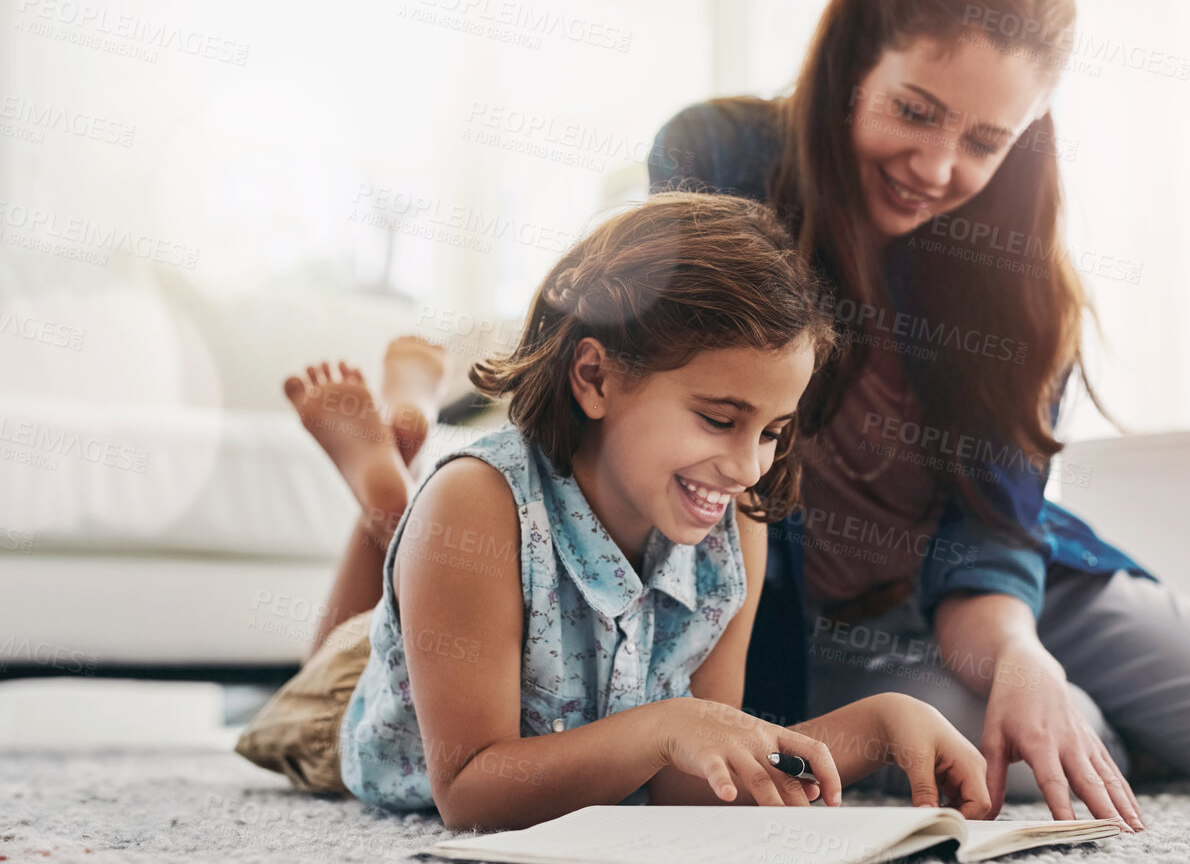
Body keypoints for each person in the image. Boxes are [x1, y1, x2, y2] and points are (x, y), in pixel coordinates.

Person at [648, 0, 1190, 830]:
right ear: (855, 63)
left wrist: (1020, 654)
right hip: (836, 627)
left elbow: (992, 533)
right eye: (917, 110)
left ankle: (1090, 705)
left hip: (1005, 593)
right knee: (1044, 755)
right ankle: (1116, 729)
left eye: (986, 138)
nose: (935, 168)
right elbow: (700, 400)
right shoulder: (718, 158)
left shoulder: (1017, 282)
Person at [235, 193, 992, 830]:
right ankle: (381, 472)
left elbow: (693, 781)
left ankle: (403, 449)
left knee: (421, 543)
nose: (748, 464)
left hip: (462, 598)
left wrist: (879, 724)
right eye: (719, 418)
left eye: (772, 431)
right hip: (389, 701)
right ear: (595, 376)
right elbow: (467, 789)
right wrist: (665, 727)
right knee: (324, 679)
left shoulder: (738, 525)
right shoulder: (477, 505)